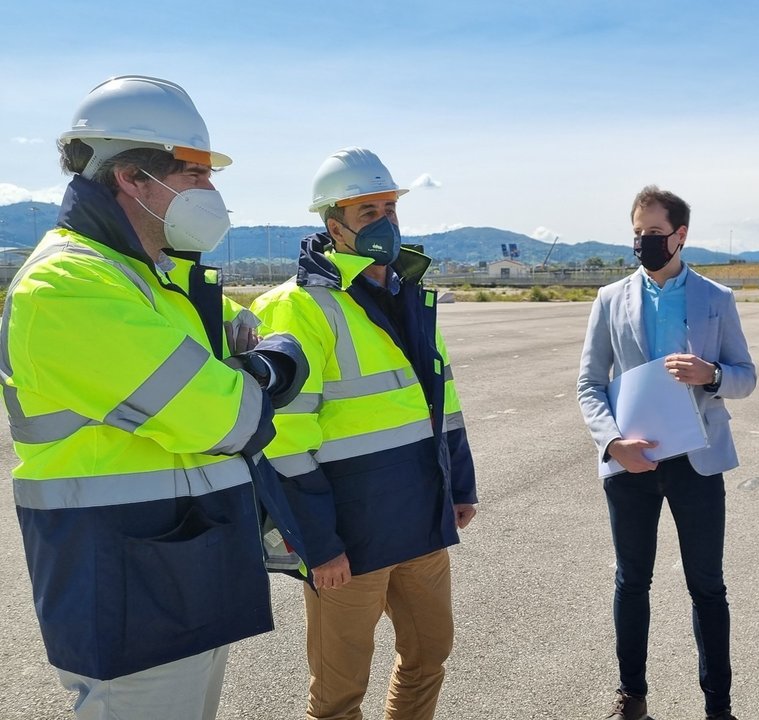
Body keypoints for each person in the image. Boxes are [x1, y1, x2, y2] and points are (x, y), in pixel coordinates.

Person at [0, 75, 309, 720]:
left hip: (178, 567)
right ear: (133, 178)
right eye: (196, 172)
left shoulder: (150, 280)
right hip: (124, 584)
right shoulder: (69, 285)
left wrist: (247, 361)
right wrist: (273, 368)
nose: (212, 191)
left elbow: (233, 344)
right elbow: (231, 416)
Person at [251, 147, 478, 720]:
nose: (385, 222)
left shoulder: (409, 293)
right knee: (338, 692)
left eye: (390, 208)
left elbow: (441, 399)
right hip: (348, 539)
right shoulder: (298, 308)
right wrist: (316, 542)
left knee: (430, 656)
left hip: (421, 520)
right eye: (367, 211)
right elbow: (283, 440)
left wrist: (460, 483)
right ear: (335, 227)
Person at [577, 185, 757, 720]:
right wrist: (611, 444)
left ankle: (718, 707)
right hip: (632, 464)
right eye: (637, 234)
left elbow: (746, 377)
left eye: (654, 234)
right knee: (632, 581)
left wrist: (714, 375)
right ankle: (632, 697)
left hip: (696, 464)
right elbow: (589, 383)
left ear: (680, 235)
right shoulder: (610, 300)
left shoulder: (716, 300)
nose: (643, 243)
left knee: (708, 586)